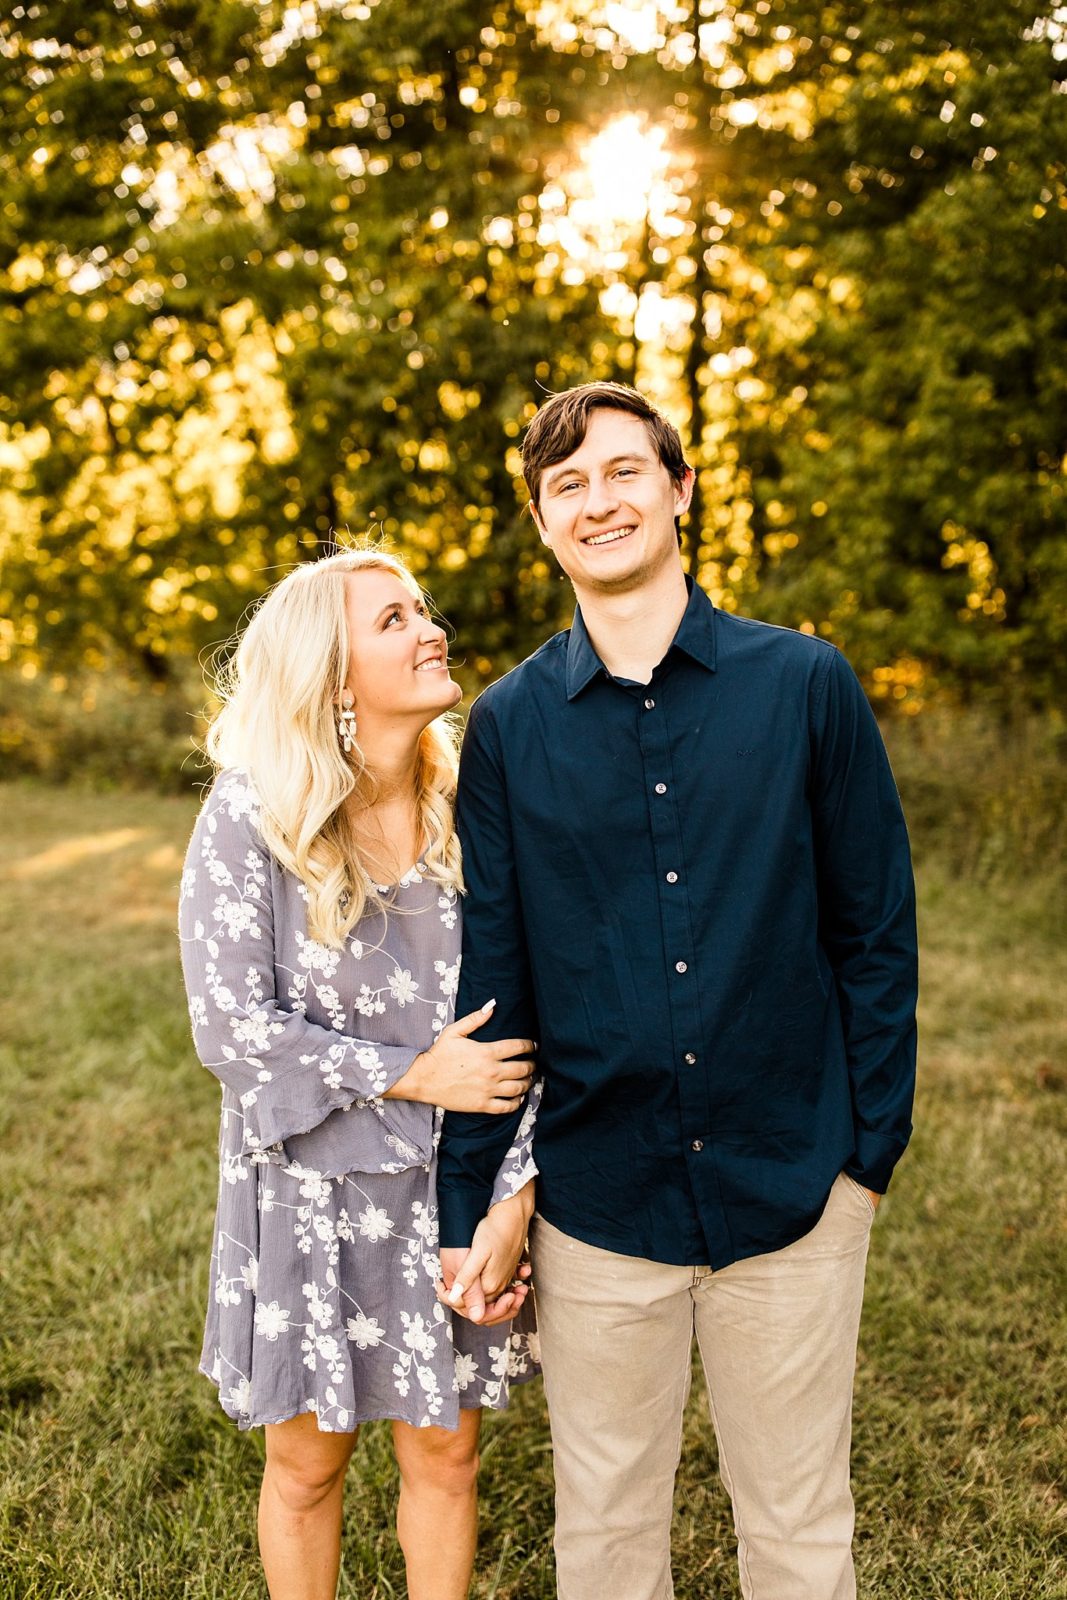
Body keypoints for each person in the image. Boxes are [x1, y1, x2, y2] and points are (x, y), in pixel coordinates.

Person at [436, 382, 918, 1600]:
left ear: (679, 487)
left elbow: (873, 936)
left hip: (796, 1186)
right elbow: (494, 982)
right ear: (543, 525)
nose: (597, 502)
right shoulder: (504, 728)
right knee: (600, 1534)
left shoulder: (804, 686)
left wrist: (864, 1156)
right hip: (600, 1200)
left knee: (799, 1521)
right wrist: (464, 1202)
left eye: (621, 472)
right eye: (566, 487)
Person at [178, 547, 539, 1600]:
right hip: (306, 1195)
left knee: (446, 1455)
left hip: (452, 1190)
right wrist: (412, 1071)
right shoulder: (251, 819)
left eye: (421, 608)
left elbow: (540, 1016)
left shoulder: (475, 813)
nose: (430, 628)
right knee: (304, 1466)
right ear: (333, 674)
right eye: (393, 619)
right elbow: (231, 1030)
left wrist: (513, 1191)